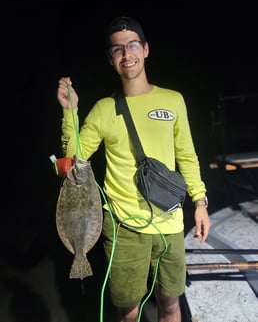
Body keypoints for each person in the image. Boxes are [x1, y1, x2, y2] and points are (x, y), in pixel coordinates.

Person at [57, 16, 211, 322]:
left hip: (170, 222)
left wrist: (200, 202)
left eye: (132, 45)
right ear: (111, 59)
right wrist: (70, 112)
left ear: (146, 49)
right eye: (117, 50)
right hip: (125, 228)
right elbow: (73, 163)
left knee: (170, 304)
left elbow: (187, 155)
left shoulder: (173, 100)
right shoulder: (103, 109)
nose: (126, 54)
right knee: (128, 310)